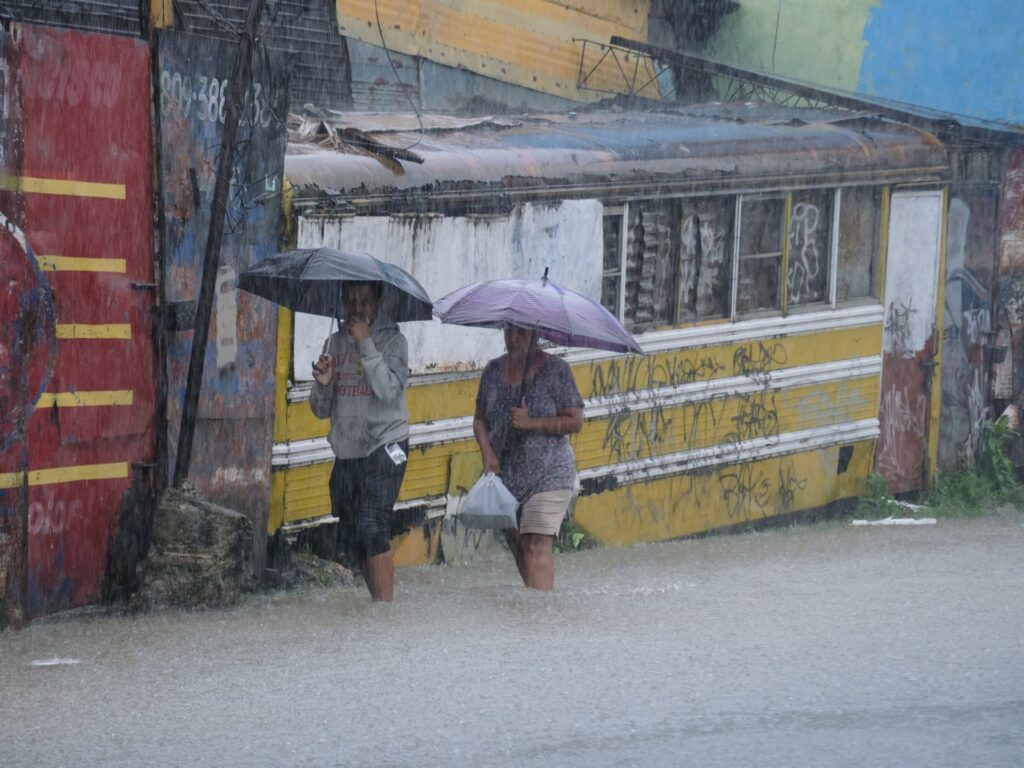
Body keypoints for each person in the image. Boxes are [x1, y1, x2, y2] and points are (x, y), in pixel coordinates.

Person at [309, 281, 409, 602]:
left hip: (387, 445)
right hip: (349, 450)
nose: (357, 309)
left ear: (378, 301)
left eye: (364, 301)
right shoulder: (334, 343)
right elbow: (321, 410)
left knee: (371, 525)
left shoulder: (393, 340)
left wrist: (366, 345)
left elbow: (389, 391)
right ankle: (377, 602)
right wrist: (323, 384)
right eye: (350, 301)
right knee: (354, 536)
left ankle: (384, 610)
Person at [473, 324, 584, 590]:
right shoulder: (492, 372)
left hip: (549, 473)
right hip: (506, 477)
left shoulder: (556, 371)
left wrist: (530, 422)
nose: (514, 338)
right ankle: (535, 607)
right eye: (509, 331)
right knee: (520, 547)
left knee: (535, 544)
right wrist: (487, 452)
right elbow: (479, 420)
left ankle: (540, 622)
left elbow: (575, 421)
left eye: (522, 332)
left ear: (536, 334)